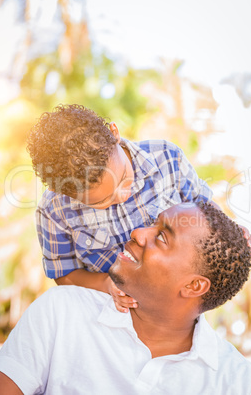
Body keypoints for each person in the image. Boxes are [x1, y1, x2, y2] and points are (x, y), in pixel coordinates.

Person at [0, 202, 251, 394]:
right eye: (152, 222)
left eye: (161, 237)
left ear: (194, 285)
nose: (138, 233)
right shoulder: (62, 311)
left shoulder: (239, 383)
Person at [26, 103, 215, 312]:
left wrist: (230, 233)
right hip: (105, 312)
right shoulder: (54, 210)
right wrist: (105, 284)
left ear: (114, 133)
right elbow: (64, 273)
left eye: (124, 178)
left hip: (173, 309)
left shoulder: (167, 158)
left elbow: (206, 211)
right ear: (63, 192)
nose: (123, 196)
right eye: (100, 202)